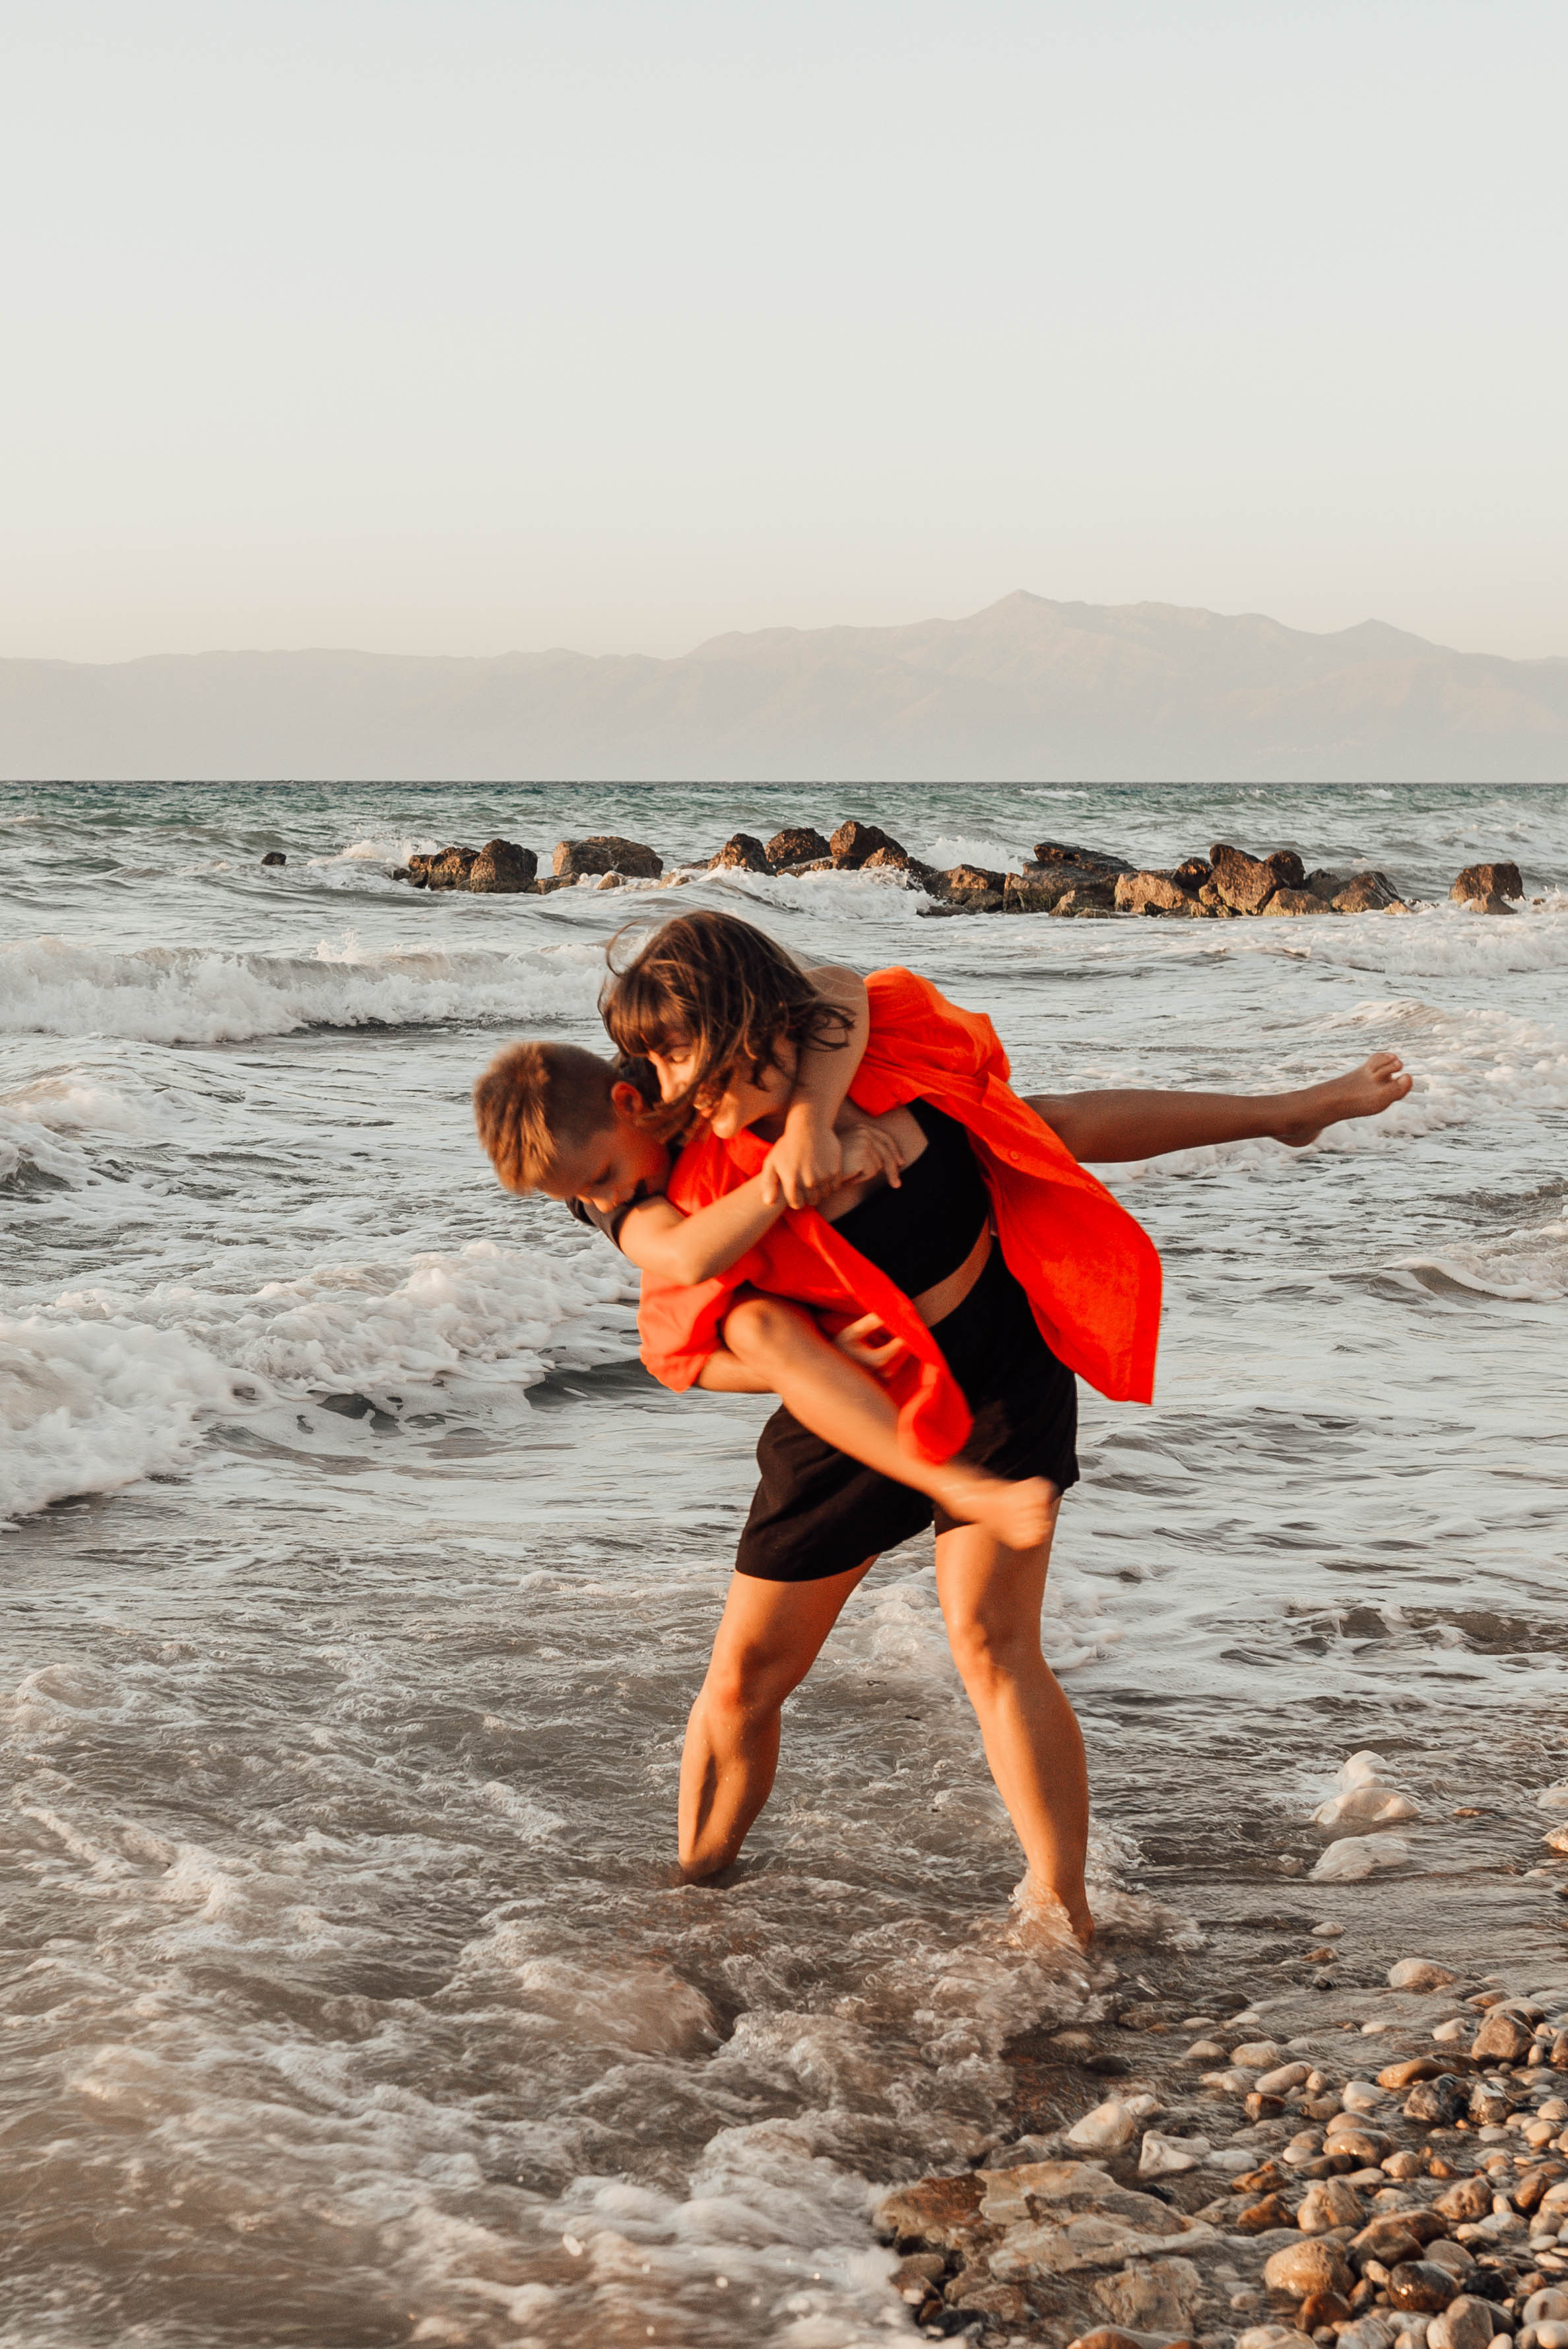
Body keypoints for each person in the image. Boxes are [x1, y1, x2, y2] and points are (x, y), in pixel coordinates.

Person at [477, 911, 1413, 1944]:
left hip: (995, 1367)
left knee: (992, 1641)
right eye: (659, 1067)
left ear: (768, 1029)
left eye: (711, 1059)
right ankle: (695, 1887)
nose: (674, 1082)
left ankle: (1062, 1907)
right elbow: (687, 1319)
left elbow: (845, 988)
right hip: (841, 1409)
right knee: (747, 1674)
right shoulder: (655, 1144)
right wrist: (806, 1173)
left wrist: (822, 1121)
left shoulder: (859, 1052)